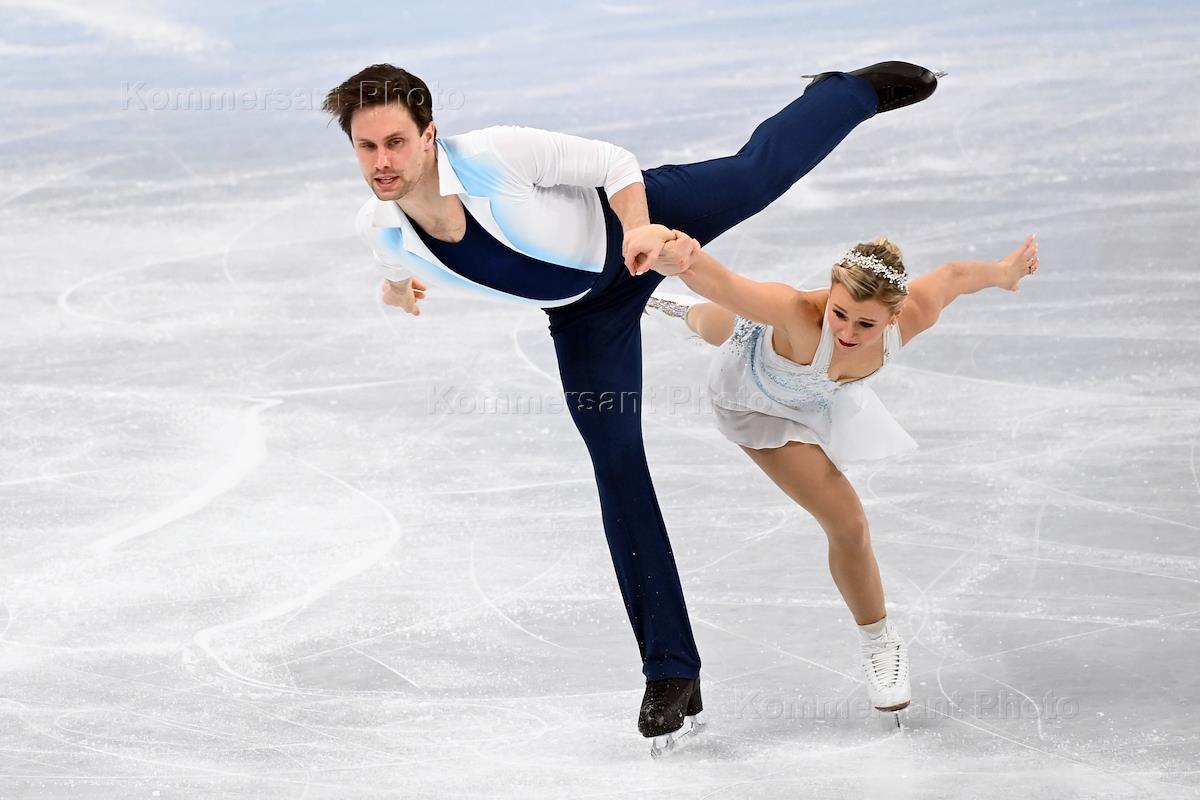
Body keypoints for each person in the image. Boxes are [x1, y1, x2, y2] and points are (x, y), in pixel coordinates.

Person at [322, 61, 942, 754]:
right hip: (585, 319)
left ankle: (848, 92)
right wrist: (399, 291)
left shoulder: (495, 155)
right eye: (366, 147)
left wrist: (642, 228)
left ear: (429, 135)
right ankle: (672, 670)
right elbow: (393, 266)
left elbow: (614, 163)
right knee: (617, 469)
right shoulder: (381, 226)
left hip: (640, 227)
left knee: (760, 174)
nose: (382, 162)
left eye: (396, 142)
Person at [642, 232, 1041, 713]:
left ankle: (878, 641)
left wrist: (1004, 273)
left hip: (812, 395)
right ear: (829, 294)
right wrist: (671, 250)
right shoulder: (797, 311)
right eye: (839, 312)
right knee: (848, 521)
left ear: (895, 316)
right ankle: (664, 305)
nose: (848, 332)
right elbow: (720, 280)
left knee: (730, 324)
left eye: (866, 323)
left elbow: (953, 277)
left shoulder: (911, 316)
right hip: (752, 402)